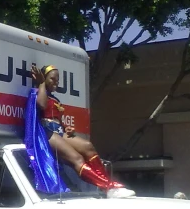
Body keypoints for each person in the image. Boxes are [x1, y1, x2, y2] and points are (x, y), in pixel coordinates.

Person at [28, 65, 135, 198]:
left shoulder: (55, 99)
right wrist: (42, 83)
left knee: (88, 146)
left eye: (58, 79)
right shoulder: (38, 92)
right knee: (77, 159)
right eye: (52, 79)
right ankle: (107, 187)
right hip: (47, 134)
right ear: (44, 78)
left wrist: (66, 127)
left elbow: (56, 118)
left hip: (60, 131)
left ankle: (108, 185)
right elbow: (42, 105)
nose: (56, 82)